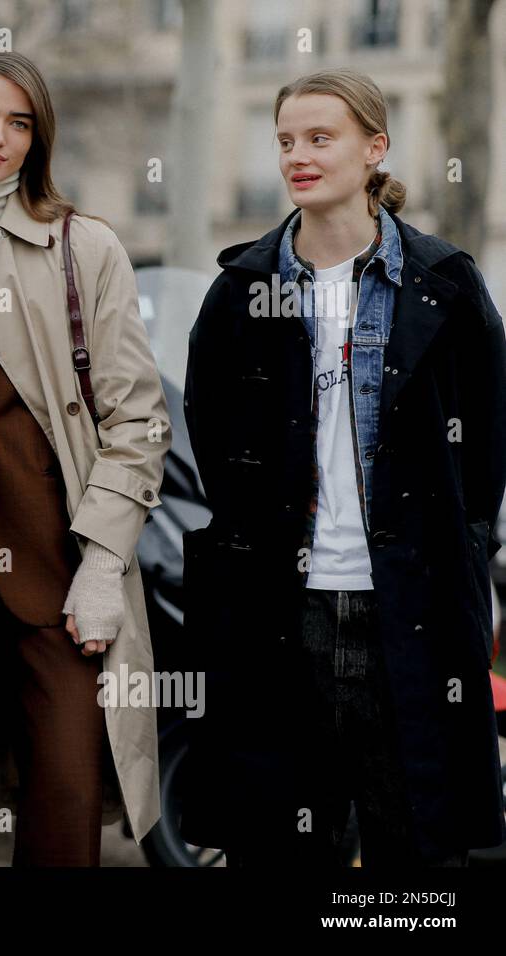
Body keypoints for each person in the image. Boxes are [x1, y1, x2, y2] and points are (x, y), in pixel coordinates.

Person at [182, 68, 506, 866]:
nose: (298, 155)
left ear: (375, 148)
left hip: (411, 611)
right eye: (286, 139)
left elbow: (487, 449)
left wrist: (463, 554)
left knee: (415, 847)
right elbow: (212, 439)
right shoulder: (241, 291)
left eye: (320, 138)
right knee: (281, 840)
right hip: (278, 615)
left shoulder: (446, 286)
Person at [0, 50, 169, 866]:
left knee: (65, 803)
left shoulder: (82, 246)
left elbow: (139, 416)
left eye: (21, 123)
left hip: (58, 571)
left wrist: (102, 562)